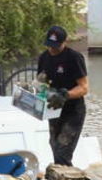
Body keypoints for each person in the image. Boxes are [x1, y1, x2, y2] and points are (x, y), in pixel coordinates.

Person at [37, 26, 89, 166]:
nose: (52, 49)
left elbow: (84, 88)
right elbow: (41, 82)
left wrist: (65, 94)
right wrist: (38, 93)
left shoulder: (74, 58)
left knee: (63, 150)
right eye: (50, 45)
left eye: (56, 46)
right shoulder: (44, 58)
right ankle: (62, 177)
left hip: (72, 111)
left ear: (64, 42)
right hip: (53, 109)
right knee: (54, 146)